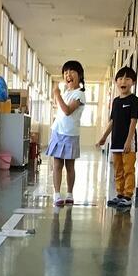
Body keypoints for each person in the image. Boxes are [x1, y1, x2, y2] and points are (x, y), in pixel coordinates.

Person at [97, 67, 138, 210]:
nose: (123, 81)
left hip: (128, 143)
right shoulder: (115, 101)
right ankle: (120, 194)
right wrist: (104, 137)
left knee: (128, 169)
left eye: (127, 79)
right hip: (115, 141)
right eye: (120, 79)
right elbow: (112, 122)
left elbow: (133, 121)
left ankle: (128, 195)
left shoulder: (134, 100)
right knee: (118, 169)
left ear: (133, 82)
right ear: (116, 82)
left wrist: (128, 141)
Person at [46, 60, 86, 207]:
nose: (68, 74)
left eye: (71, 71)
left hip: (71, 134)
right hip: (58, 132)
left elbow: (67, 111)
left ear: (79, 75)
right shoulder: (67, 93)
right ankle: (57, 194)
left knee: (70, 166)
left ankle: (69, 194)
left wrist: (57, 94)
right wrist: (59, 95)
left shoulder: (80, 94)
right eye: (65, 72)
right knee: (57, 164)